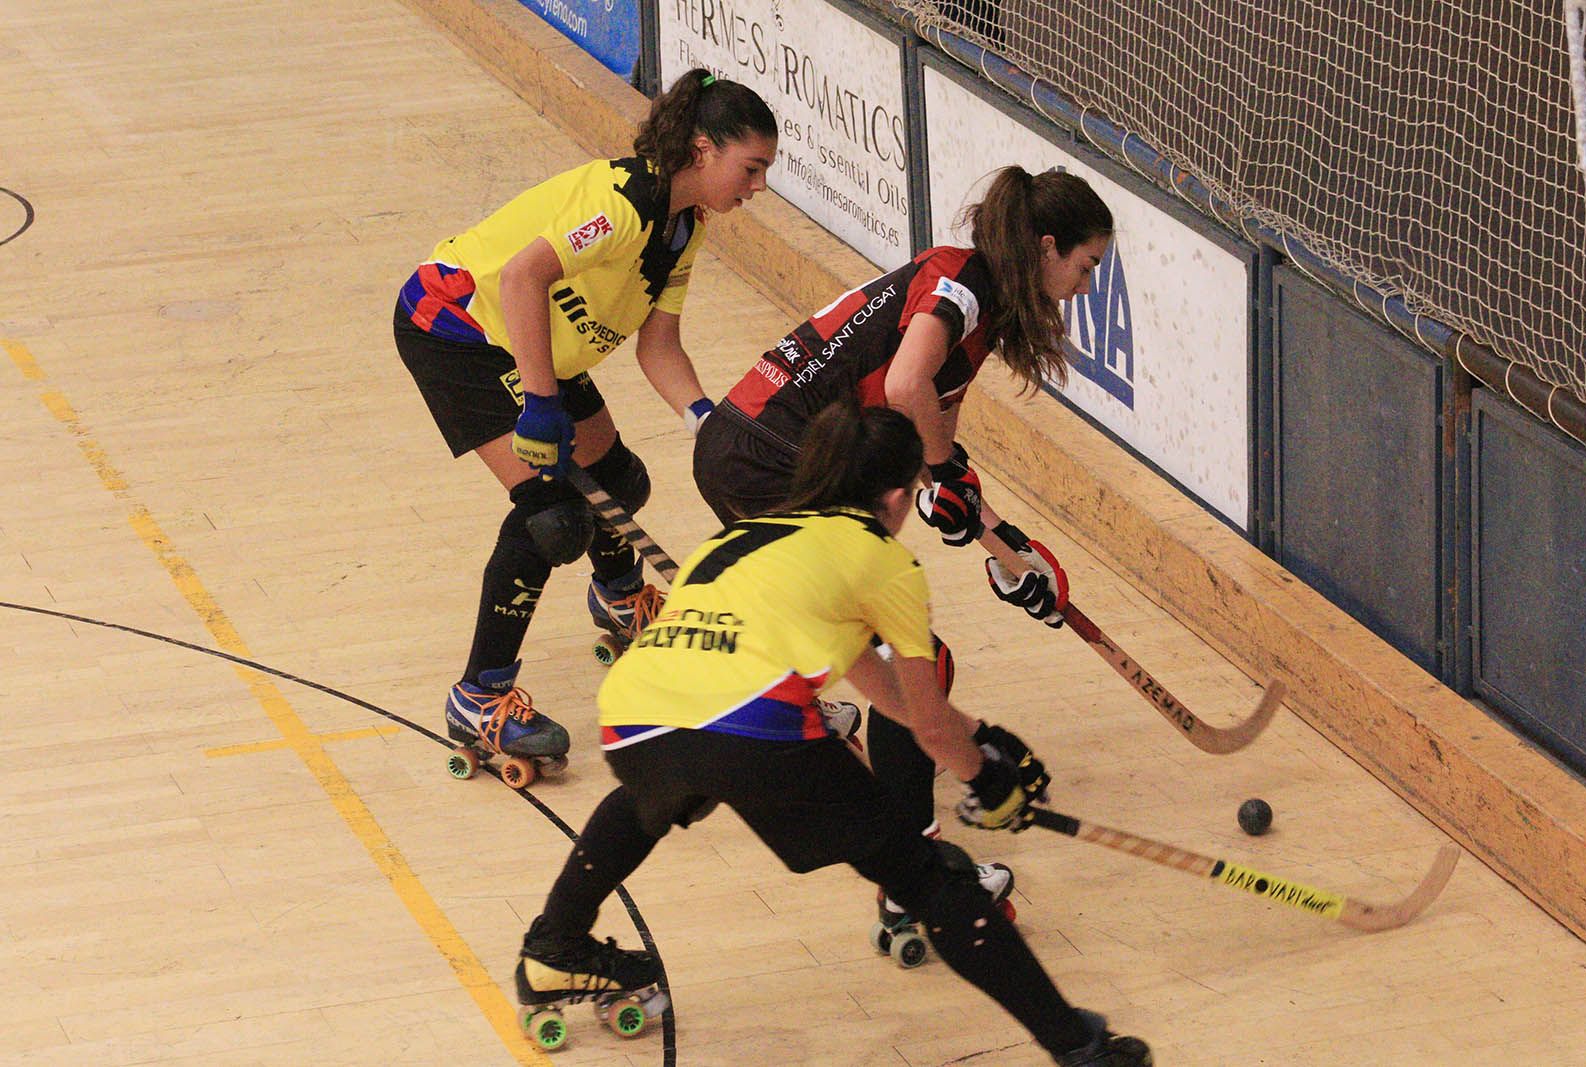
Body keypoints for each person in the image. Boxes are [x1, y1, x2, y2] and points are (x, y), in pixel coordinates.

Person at [514, 402, 1151, 1065]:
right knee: (932, 881)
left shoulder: (740, 536)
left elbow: (883, 688)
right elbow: (929, 723)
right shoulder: (884, 560)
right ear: (900, 497)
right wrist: (989, 779)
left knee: (661, 792)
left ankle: (554, 945)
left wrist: (983, 736)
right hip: (749, 724)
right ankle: (1080, 1049)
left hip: (634, 714)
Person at [690, 165, 1113, 923]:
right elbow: (905, 389)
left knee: (884, 655)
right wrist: (945, 479)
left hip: (753, 449)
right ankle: (913, 878)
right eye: (1084, 267)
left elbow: (928, 444)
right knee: (917, 664)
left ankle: (875, 826)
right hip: (772, 457)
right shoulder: (961, 283)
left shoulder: (972, 300)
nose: (1083, 287)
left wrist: (1010, 556)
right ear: (1048, 248)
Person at [394, 69, 778, 773]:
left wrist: (704, 418)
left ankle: (622, 598)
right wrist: (540, 404)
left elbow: (659, 345)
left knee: (618, 480)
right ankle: (479, 697)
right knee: (552, 517)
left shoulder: (684, 228)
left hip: (530, 337)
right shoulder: (623, 202)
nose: (756, 188)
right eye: (750, 169)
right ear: (702, 150)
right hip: (456, 325)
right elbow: (520, 278)